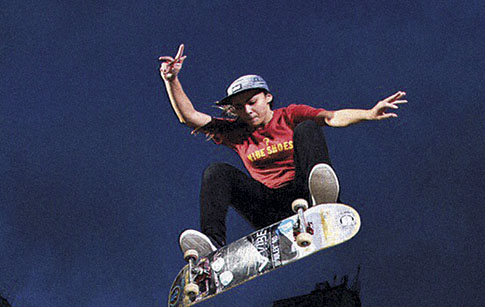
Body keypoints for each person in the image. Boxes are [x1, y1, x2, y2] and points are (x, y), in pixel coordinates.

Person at [158, 44, 406, 255]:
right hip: (267, 209)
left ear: (267, 97)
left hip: (303, 194)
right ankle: (212, 244)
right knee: (216, 171)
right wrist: (172, 80)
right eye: (239, 108)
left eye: (252, 102)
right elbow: (189, 117)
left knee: (308, 127)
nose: (247, 111)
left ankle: (323, 199)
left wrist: (369, 114)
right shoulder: (236, 132)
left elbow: (332, 117)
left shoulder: (289, 115)